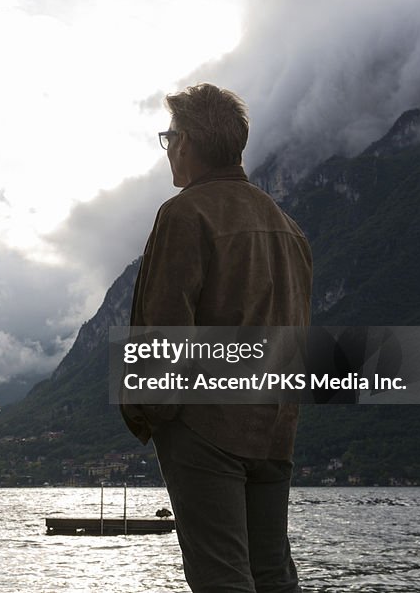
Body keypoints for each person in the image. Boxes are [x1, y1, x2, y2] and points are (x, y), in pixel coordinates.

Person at [121, 83, 313, 593]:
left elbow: (162, 332)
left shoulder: (185, 213)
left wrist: (155, 416)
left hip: (205, 428)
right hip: (275, 428)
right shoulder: (289, 228)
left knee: (219, 576)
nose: (169, 152)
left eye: (169, 138)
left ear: (186, 143)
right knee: (273, 573)